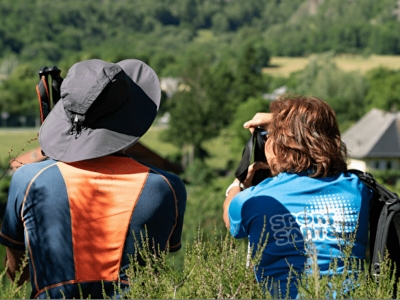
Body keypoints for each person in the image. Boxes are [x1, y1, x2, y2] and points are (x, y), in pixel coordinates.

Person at [0, 59, 187, 299]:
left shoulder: (28, 180)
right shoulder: (167, 188)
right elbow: (159, 260)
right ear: (130, 117)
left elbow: (17, 275)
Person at [223, 95, 372, 299]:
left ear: (280, 143)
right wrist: (289, 124)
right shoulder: (358, 190)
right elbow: (320, 139)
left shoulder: (252, 199)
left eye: (269, 136)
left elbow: (231, 222)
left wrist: (236, 185)